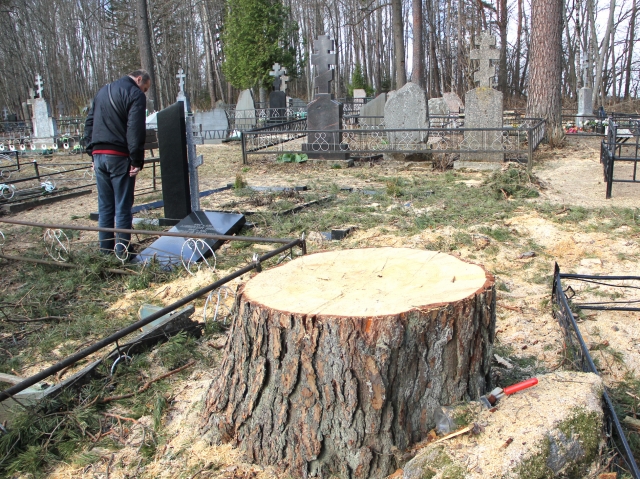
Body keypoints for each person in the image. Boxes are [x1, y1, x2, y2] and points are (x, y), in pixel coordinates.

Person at [84, 70, 150, 257]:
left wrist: (92, 153)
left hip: (99, 156)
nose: (144, 92)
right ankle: (122, 252)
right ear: (139, 80)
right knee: (122, 205)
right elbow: (135, 129)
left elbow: (89, 123)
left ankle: (105, 252)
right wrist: (136, 159)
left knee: (105, 206)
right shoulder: (134, 94)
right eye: (145, 88)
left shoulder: (102, 91)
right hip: (119, 156)